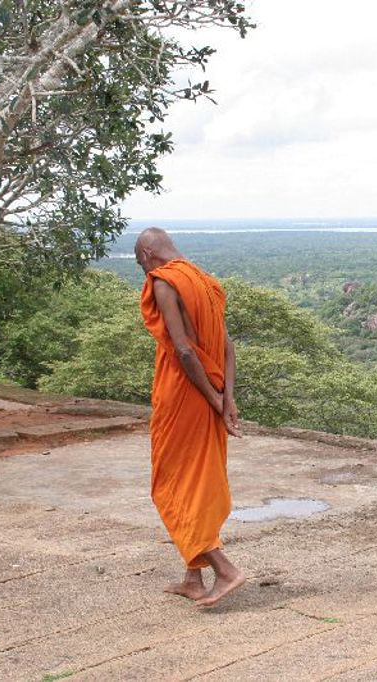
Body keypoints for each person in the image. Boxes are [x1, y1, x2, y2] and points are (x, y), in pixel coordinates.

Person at [135, 227, 245, 607]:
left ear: (147, 254)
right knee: (196, 481)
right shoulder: (206, 282)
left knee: (171, 483)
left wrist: (214, 401)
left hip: (185, 396)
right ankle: (193, 578)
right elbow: (228, 347)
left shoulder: (164, 282)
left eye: (139, 264)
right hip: (209, 392)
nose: (143, 272)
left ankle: (225, 570)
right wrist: (227, 399)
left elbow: (183, 351)